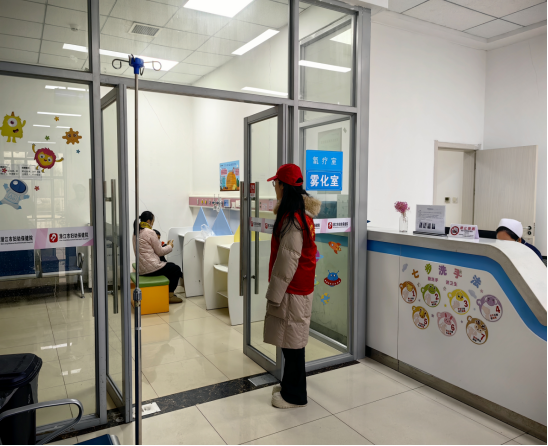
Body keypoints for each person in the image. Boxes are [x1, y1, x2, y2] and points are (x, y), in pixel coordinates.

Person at [262, 164, 321, 409]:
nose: (274, 187)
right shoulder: (300, 216)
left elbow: (287, 260)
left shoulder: (293, 220)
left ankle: (295, 396)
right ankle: (289, 387)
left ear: (284, 186)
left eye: (276, 183)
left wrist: (274, 294)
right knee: (290, 341)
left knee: (293, 344)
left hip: (292, 289)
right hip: (297, 287)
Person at [134, 211, 183, 304]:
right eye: (153, 221)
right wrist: (170, 246)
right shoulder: (150, 232)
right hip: (151, 268)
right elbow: (160, 252)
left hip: (141, 268)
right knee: (176, 269)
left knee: (169, 266)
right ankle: (170, 296)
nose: (153, 224)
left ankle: (165, 292)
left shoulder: (136, 232)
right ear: (149, 221)